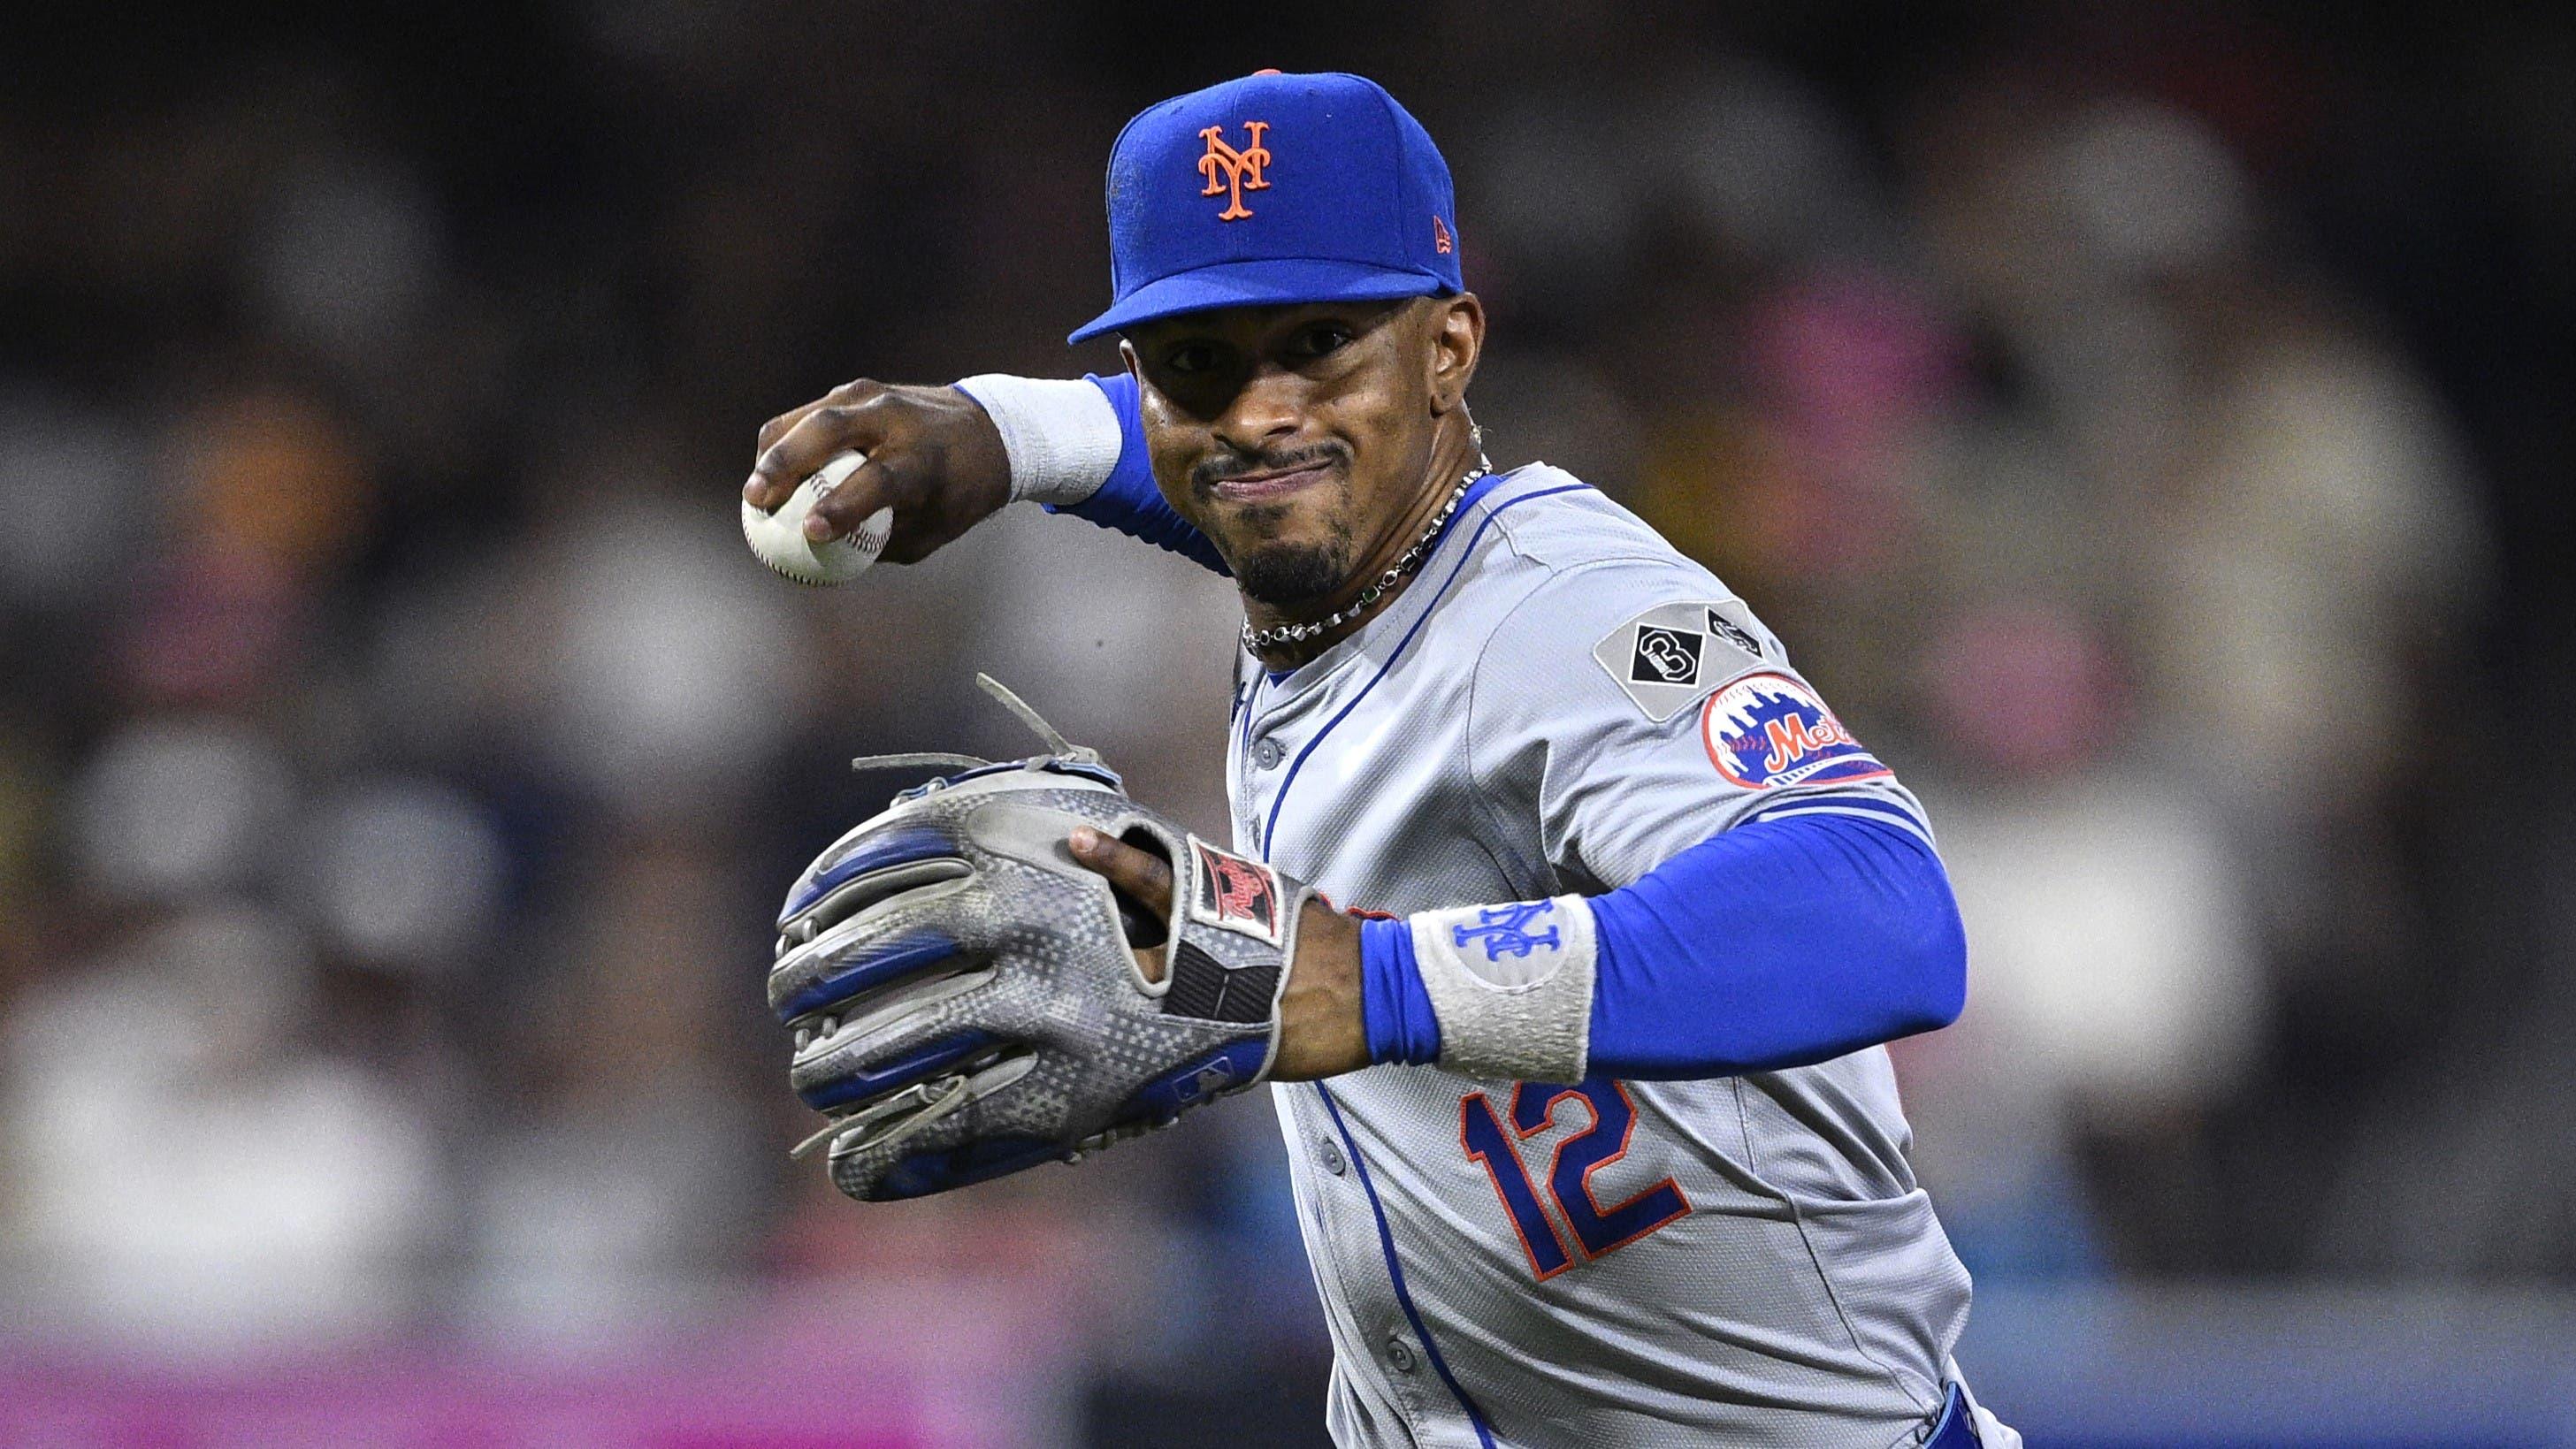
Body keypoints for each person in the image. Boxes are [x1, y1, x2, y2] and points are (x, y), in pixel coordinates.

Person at [744, 70, 2017, 1449]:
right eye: (1195, 361)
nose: (1260, 413)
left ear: (1449, 348)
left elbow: (1883, 911)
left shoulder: (1567, 614)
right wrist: (1007, 432)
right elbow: (1239, 479)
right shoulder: (1349, 573)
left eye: (1323, 343)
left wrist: (1364, 980)